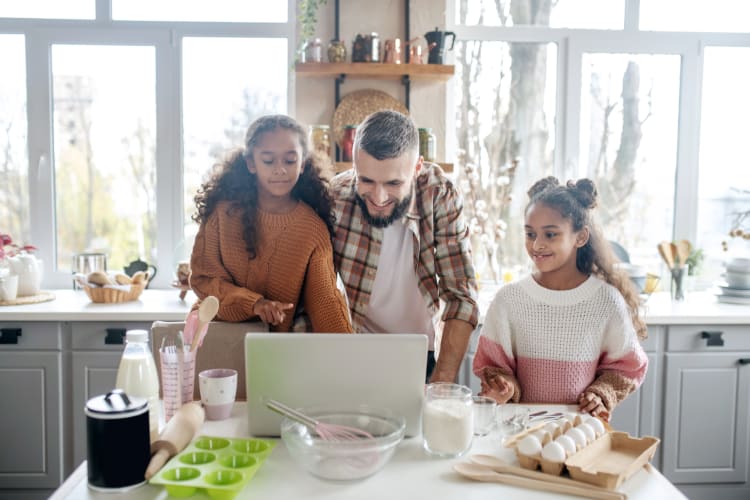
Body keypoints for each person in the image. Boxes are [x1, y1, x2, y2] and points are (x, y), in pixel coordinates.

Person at [472, 176, 648, 418]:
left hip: (579, 431)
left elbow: (627, 367)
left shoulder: (606, 301)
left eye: (550, 235)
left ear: (581, 237)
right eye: (530, 234)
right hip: (519, 429)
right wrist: (504, 385)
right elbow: (494, 366)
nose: (537, 245)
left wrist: (601, 393)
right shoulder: (508, 300)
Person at [330, 110, 479, 382]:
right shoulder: (336, 198)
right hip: (356, 350)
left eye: (394, 183)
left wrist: (442, 383)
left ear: (417, 167)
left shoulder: (439, 195)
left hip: (421, 353)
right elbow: (316, 290)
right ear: (354, 165)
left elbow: (461, 296)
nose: (378, 197)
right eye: (366, 180)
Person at [190, 114, 353, 333]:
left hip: (271, 349)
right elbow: (203, 280)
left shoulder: (312, 229)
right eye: (268, 160)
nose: (280, 169)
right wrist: (254, 304)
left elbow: (325, 301)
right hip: (214, 337)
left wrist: (351, 351)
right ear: (251, 163)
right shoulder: (222, 213)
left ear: (303, 163)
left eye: (290, 160)